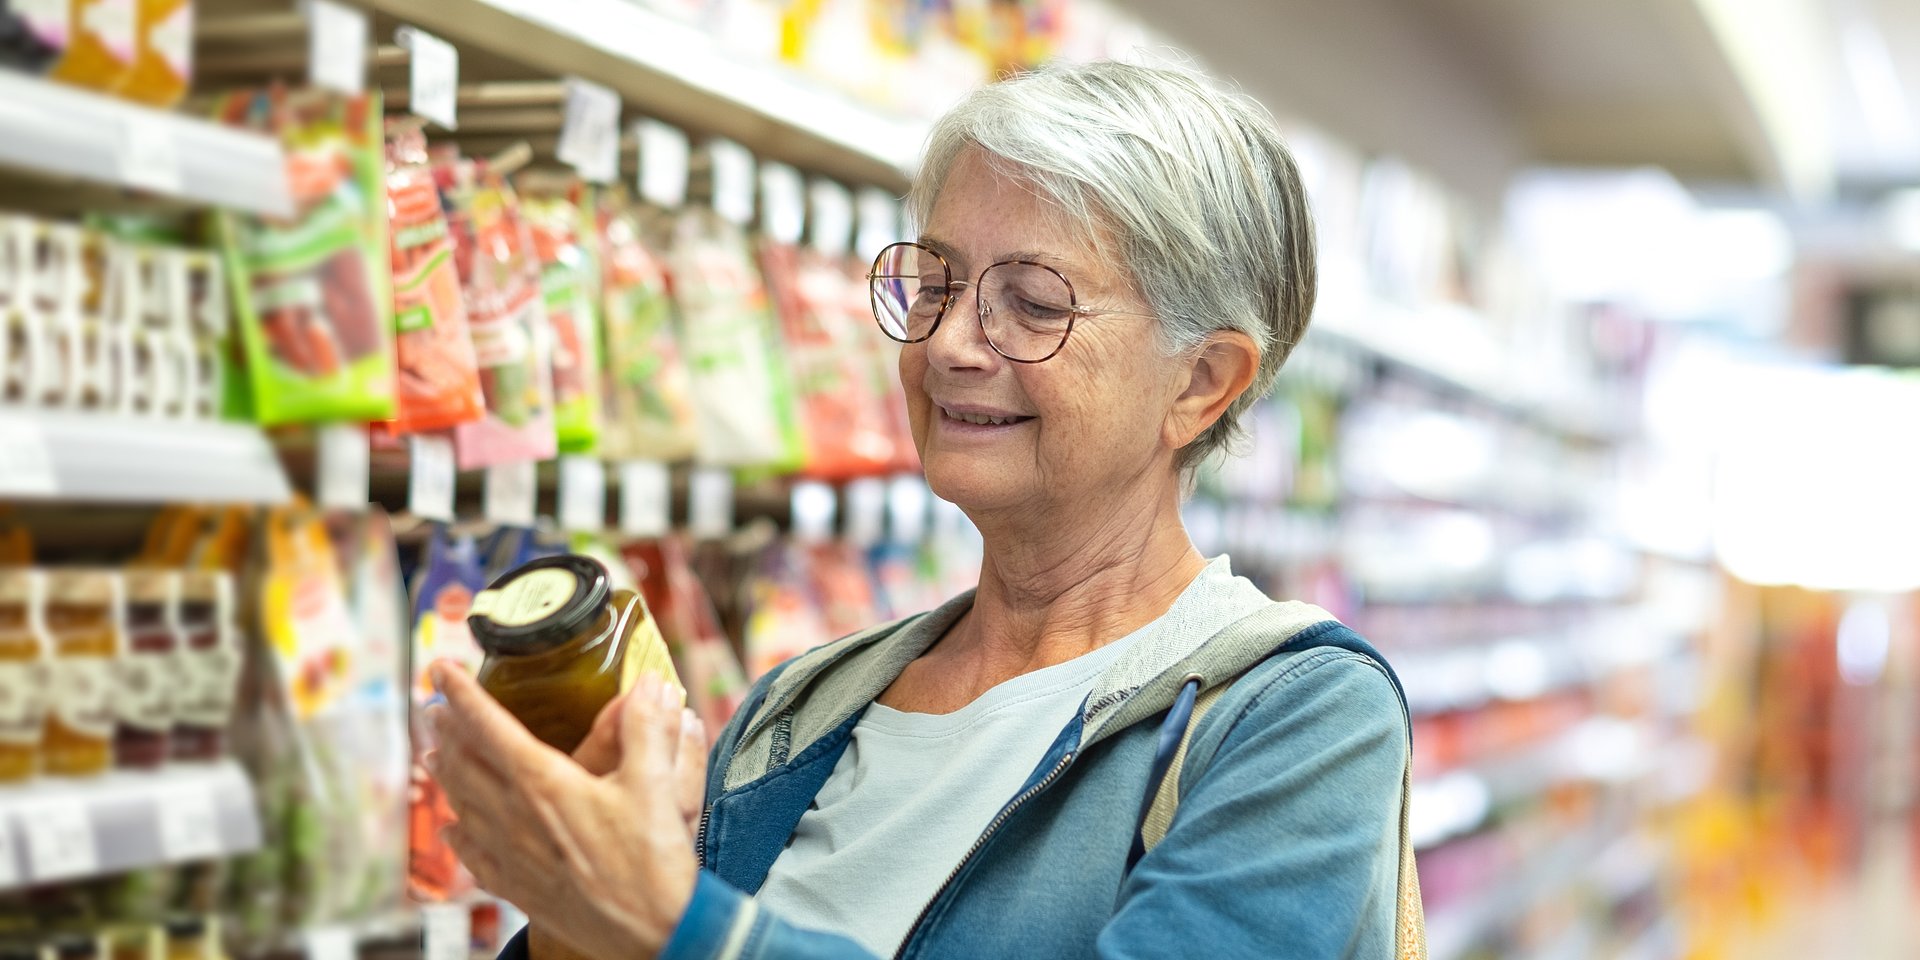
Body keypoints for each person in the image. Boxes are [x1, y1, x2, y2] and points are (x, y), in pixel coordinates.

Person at [425, 59, 1415, 960]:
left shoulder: (1298, 719)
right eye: (935, 282)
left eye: (1031, 301)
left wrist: (677, 925)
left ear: (1203, 381)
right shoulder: (799, 710)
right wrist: (570, 903)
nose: (949, 343)